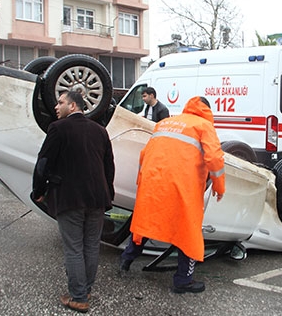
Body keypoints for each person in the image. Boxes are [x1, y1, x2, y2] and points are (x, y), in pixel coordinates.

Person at [120, 96, 226, 294]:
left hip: (153, 182)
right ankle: (183, 280)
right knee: (188, 230)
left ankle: (126, 259)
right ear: (207, 111)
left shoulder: (164, 123)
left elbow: (145, 154)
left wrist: (141, 180)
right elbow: (214, 158)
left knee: (146, 223)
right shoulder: (203, 126)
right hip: (182, 187)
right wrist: (219, 186)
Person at [31, 90, 115, 313]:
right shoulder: (100, 131)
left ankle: (78, 298)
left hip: (70, 197)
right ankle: (85, 290)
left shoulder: (58, 129)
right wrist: (109, 194)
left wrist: (38, 190)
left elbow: (43, 163)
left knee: (74, 248)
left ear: (74, 106)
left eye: (60, 103)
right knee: (91, 246)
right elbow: (109, 167)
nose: (56, 107)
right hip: (98, 198)